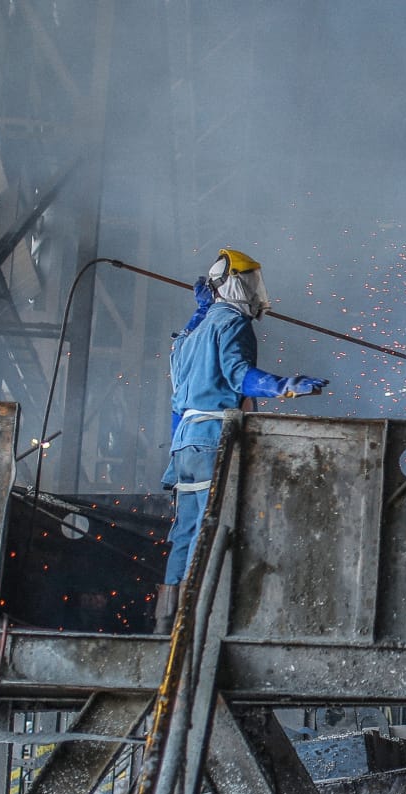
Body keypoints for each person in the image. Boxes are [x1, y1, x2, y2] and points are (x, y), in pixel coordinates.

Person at [154, 248, 327, 632]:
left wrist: (201, 308)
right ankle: (197, 625)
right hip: (215, 438)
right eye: (249, 283)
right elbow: (239, 377)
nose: (255, 292)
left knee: (185, 532)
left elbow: (178, 399)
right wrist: (285, 386)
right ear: (234, 285)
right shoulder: (233, 324)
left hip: (185, 444)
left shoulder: (189, 335)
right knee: (209, 529)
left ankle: (165, 624)